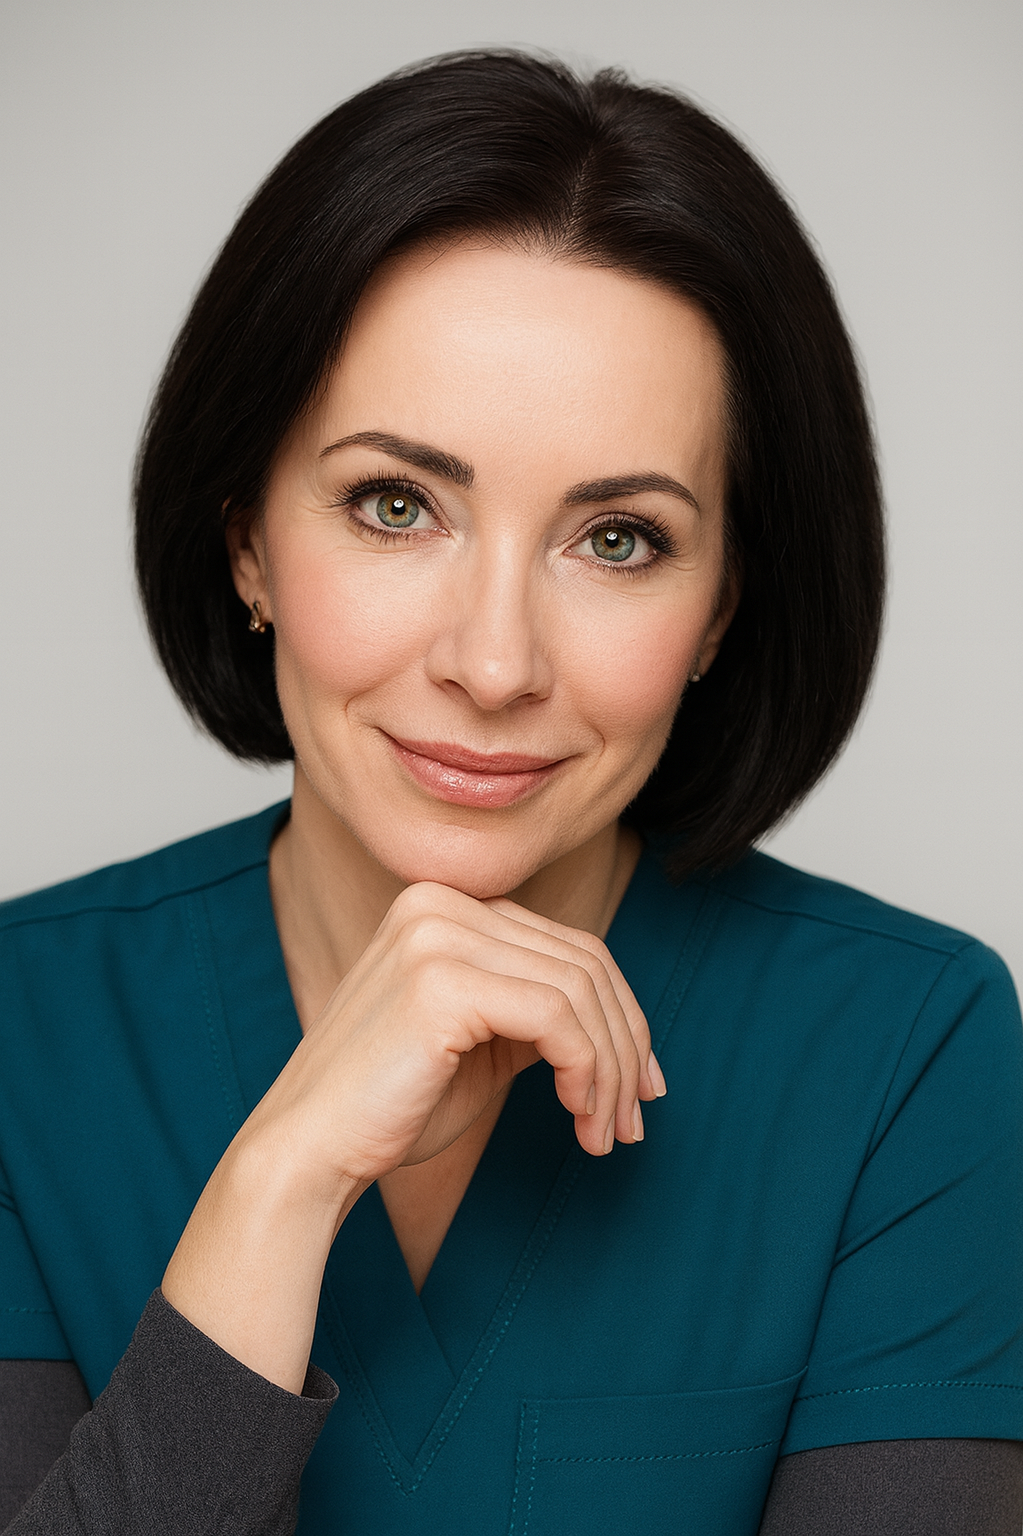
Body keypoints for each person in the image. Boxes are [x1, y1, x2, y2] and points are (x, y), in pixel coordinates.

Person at [0, 49, 1021, 1536]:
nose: (492, 665)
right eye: (394, 505)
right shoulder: (22, 1033)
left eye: (615, 539)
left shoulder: (901, 1056)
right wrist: (280, 1182)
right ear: (245, 546)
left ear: (723, 606)